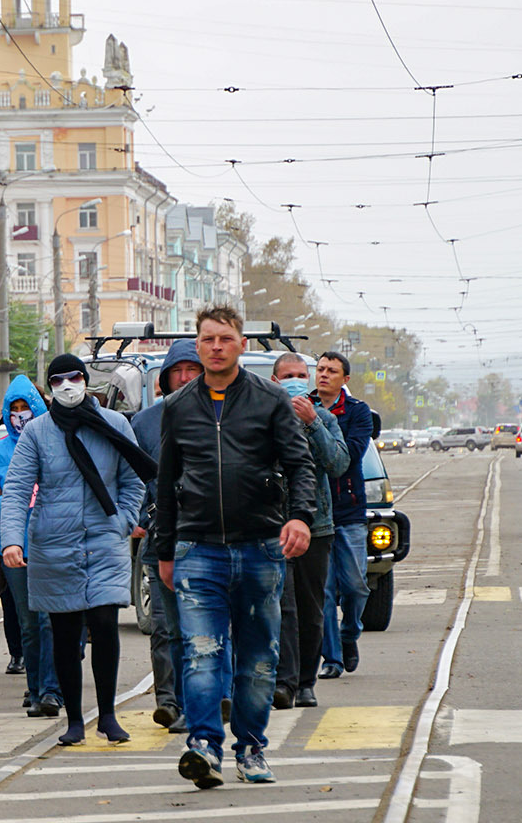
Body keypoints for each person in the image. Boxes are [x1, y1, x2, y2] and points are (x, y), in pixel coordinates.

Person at [154, 306, 317, 788]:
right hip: (197, 549)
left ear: (242, 344)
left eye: (225, 338)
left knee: (257, 658)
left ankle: (251, 749)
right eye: (208, 340)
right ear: (198, 346)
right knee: (201, 654)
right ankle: (204, 746)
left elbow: (300, 465)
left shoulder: (269, 400)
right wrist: (165, 550)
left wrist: (300, 518)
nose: (216, 347)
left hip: (260, 548)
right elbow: (166, 484)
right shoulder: (179, 405)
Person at [1, 355, 152, 746]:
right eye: (57, 380)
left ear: (86, 381)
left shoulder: (115, 424)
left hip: (105, 540)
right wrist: (12, 540)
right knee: (65, 633)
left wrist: (123, 519)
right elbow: (17, 490)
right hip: (54, 545)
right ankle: (73, 720)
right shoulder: (38, 432)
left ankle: (107, 715)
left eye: (74, 378)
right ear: (49, 387)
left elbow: (134, 478)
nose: (67, 385)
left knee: (104, 625)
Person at [129, 340, 202, 733]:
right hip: (160, 540)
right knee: (164, 626)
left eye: (194, 370)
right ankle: (168, 701)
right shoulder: (143, 423)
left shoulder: (215, 416)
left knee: (201, 626)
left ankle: (200, 699)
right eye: (179, 371)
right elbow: (132, 477)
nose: (187, 378)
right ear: (166, 379)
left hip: (206, 538)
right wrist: (137, 516)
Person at [270, 352, 349, 711]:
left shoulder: (326, 419)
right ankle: (283, 683)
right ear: (275, 382)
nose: (297, 380)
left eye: (302, 374)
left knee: (311, 608)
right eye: (289, 375)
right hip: (273, 526)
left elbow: (337, 464)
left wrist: (313, 423)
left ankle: (305, 682)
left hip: (316, 528)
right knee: (282, 607)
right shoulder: (262, 417)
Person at [0, 375, 58, 718]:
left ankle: (51, 689)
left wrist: (15, 498)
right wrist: (11, 501)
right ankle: (36, 687)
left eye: (26, 408)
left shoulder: (53, 441)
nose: (20, 415)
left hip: (52, 546)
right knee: (28, 622)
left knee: (49, 622)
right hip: (14, 549)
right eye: (14, 409)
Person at [314, 351, 375, 680]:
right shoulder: (303, 407)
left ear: (344, 380)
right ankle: (332, 659)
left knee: (355, 586)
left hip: (349, 510)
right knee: (323, 590)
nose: (323, 374)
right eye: (320, 369)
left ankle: (350, 633)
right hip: (315, 514)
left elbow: (349, 455)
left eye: (332, 371)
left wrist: (317, 430)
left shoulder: (357, 412)